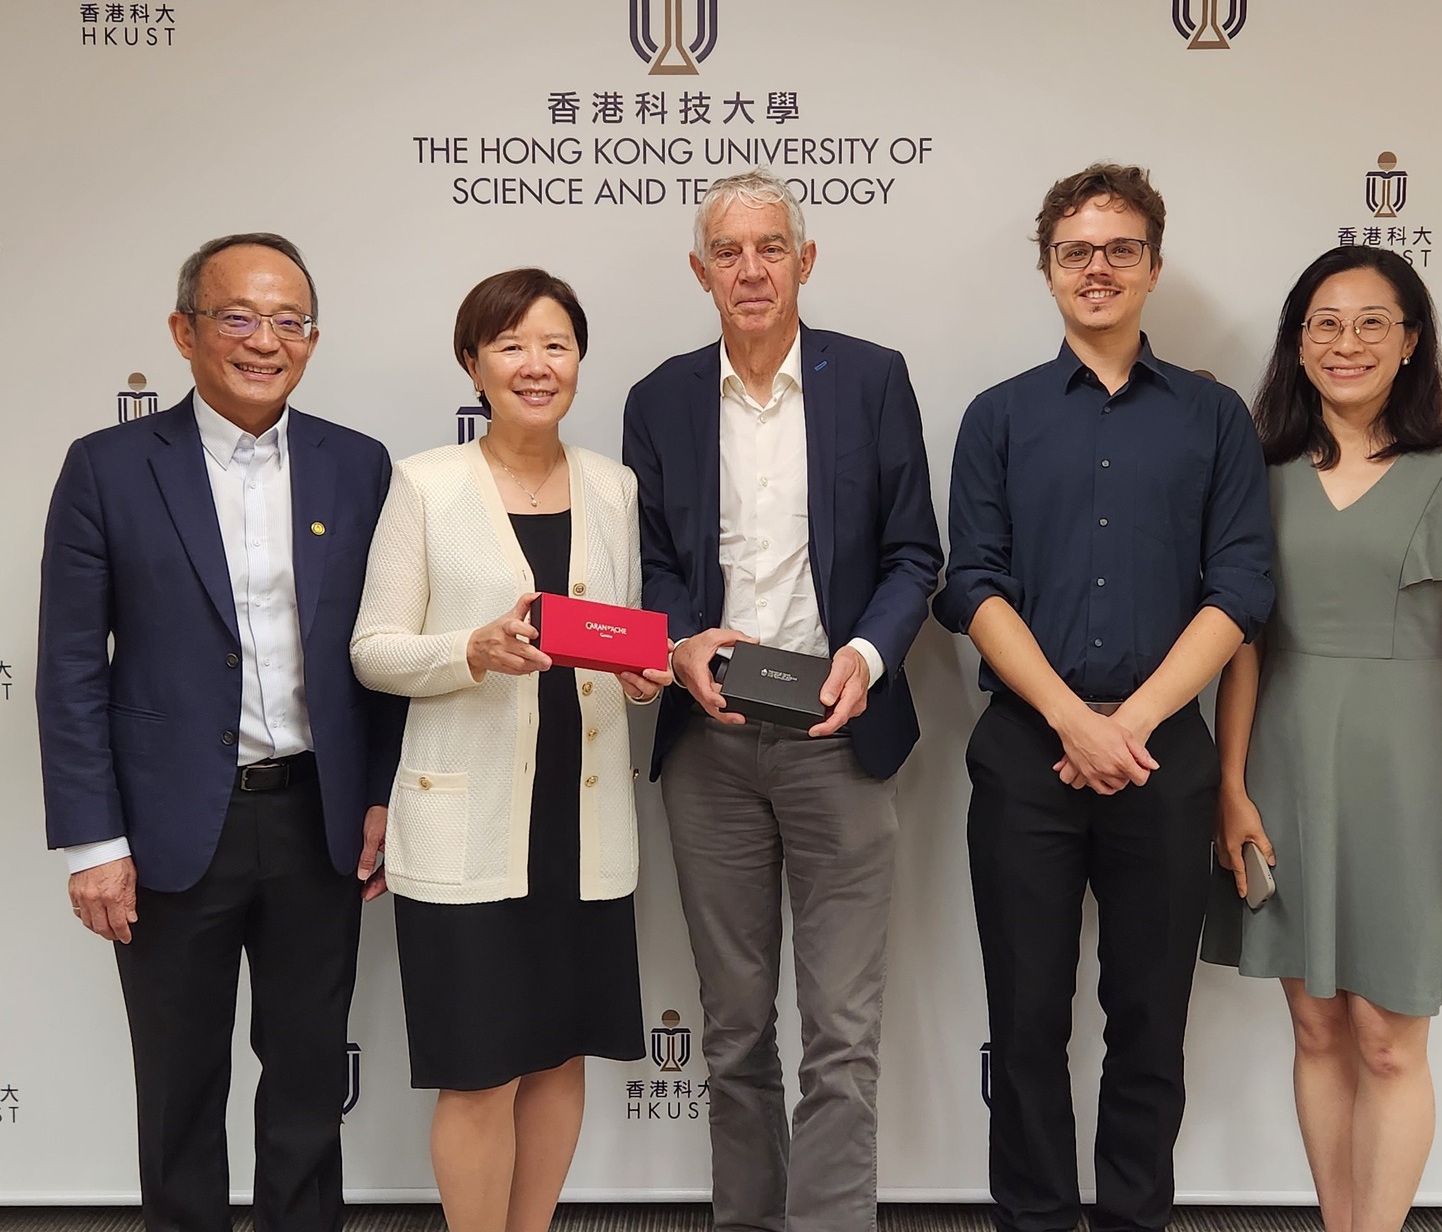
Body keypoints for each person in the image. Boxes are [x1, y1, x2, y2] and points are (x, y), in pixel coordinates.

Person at [37, 233, 405, 1232]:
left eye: (288, 321)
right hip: (163, 837)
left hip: (314, 824)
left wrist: (377, 793)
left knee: (304, 1086)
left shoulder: (356, 465)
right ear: (184, 332)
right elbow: (69, 666)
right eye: (237, 316)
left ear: (312, 340)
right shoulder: (108, 469)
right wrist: (93, 841)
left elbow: (380, 653)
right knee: (178, 1085)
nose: (263, 340)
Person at [935, 164, 1275, 1232]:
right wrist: (1071, 720)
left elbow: (1240, 590)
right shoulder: (997, 416)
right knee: (1025, 1018)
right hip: (1024, 754)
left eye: (1118, 248)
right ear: (1047, 268)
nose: (1097, 268)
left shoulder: (1214, 416)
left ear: (1152, 266)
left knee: (1148, 1017)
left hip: (1161, 757)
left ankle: (1133, 1217)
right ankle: (1031, 1217)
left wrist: (1126, 724)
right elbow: (969, 584)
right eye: (1075, 250)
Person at [622, 168, 943, 1232]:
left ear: (804, 261)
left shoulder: (871, 380)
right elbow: (654, 566)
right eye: (728, 251)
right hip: (709, 746)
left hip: (835, 732)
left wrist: (864, 652)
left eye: (770, 247)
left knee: (841, 1030)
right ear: (699, 270)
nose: (750, 269)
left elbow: (912, 554)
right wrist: (678, 645)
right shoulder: (659, 398)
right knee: (730, 1027)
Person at [1202, 245, 1442, 1232]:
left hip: (1407, 778)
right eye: (1322, 323)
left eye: (1369, 322)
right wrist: (1229, 786)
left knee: (1389, 1039)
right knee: (1312, 1026)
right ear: (1295, 344)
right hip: (1283, 768)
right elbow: (1241, 647)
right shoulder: (1254, 474)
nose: (1344, 343)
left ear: (1409, 341)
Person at [350, 268, 671, 1232]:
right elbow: (373, 649)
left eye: (556, 345)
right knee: (479, 1070)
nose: (537, 365)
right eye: (512, 346)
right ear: (473, 363)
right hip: (467, 823)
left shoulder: (615, 487)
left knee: (559, 1054)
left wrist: (638, 673)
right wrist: (468, 651)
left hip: (582, 821)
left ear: (580, 359)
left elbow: (613, 636)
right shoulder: (425, 483)